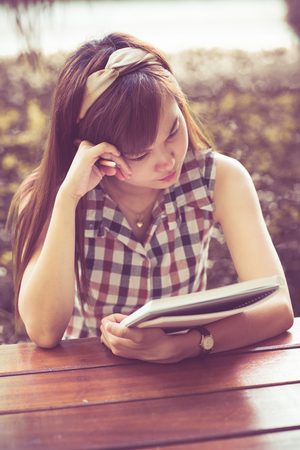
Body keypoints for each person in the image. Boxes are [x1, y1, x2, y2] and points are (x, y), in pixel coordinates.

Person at [8, 32, 293, 363]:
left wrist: (187, 344)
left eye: (173, 130)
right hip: (85, 382)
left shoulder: (219, 180)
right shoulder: (50, 196)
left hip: (187, 375)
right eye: (140, 153)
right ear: (95, 151)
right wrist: (68, 198)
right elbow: (43, 333)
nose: (167, 160)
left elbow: (278, 306)